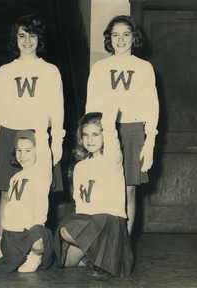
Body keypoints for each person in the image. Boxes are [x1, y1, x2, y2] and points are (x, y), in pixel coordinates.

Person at [0, 14, 65, 263]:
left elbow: (57, 109)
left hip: (38, 136)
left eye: (32, 34)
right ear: (14, 39)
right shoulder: (6, 71)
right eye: (21, 35)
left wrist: (57, 140)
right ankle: (2, 246)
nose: (27, 40)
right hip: (9, 133)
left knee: (36, 194)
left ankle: (35, 250)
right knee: (8, 194)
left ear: (39, 38)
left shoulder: (50, 70)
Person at [85, 15, 159, 235]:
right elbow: (91, 106)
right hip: (105, 130)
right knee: (106, 189)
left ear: (133, 37)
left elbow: (152, 107)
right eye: (115, 34)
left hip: (134, 130)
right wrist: (91, 137)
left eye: (126, 34)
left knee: (128, 192)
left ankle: (122, 245)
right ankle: (103, 243)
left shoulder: (144, 68)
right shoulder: (100, 67)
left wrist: (150, 144)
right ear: (109, 38)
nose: (120, 40)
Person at [53, 109, 133, 277]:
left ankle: (105, 255)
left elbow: (111, 132)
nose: (90, 140)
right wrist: (80, 228)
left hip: (108, 222)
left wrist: (108, 103)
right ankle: (93, 256)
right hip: (89, 222)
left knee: (67, 232)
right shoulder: (80, 166)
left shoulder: (112, 159)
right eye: (86, 135)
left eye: (96, 134)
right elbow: (79, 203)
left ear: (106, 136)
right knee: (65, 262)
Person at [0, 129, 53, 273]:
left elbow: (44, 147)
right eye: (19, 150)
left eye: (28, 150)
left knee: (38, 234)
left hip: (32, 232)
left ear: (37, 150)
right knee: (3, 265)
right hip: (14, 233)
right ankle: (15, 252)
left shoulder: (42, 173)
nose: (22, 155)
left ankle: (35, 255)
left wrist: (42, 122)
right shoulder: (15, 178)